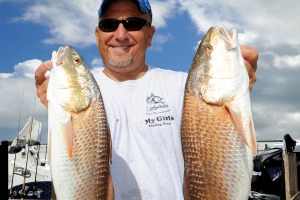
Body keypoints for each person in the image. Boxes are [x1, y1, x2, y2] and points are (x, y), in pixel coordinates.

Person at [35, 0, 258, 199]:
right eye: (109, 25)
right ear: (97, 34)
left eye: (132, 23)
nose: (120, 34)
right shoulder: (81, 91)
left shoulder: (187, 86)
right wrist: (54, 103)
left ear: (150, 35)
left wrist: (240, 77)